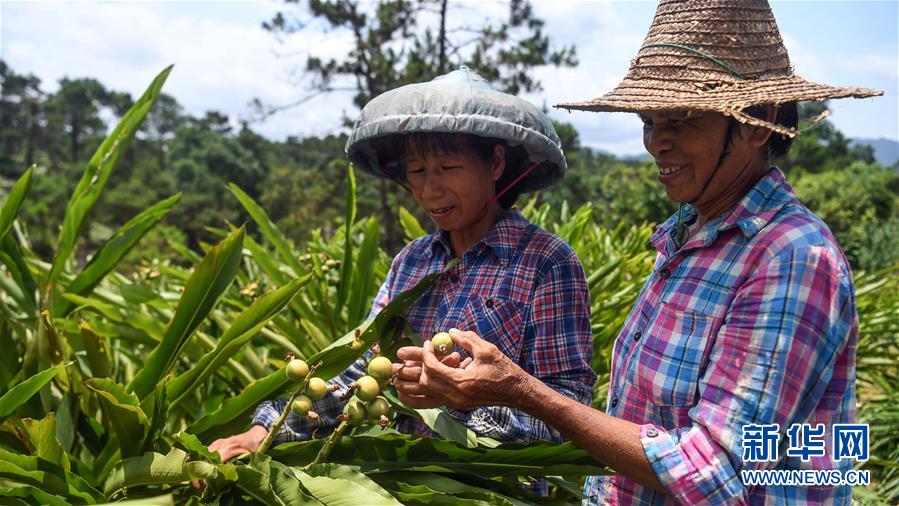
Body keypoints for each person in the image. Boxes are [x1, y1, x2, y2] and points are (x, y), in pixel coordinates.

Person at [395, 1, 882, 504]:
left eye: (681, 120)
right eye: (650, 121)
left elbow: (714, 474)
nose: (656, 143)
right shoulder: (690, 238)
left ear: (759, 123)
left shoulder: (791, 260)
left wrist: (520, 391)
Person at [206, 68, 596, 475]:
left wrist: (460, 401)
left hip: (491, 491)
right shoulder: (412, 261)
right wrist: (265, 431)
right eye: (417, 171)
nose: (429, 190)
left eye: (448, 167)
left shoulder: (545, 263)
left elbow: (569, 416)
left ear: (496, 163)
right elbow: (362, 370)